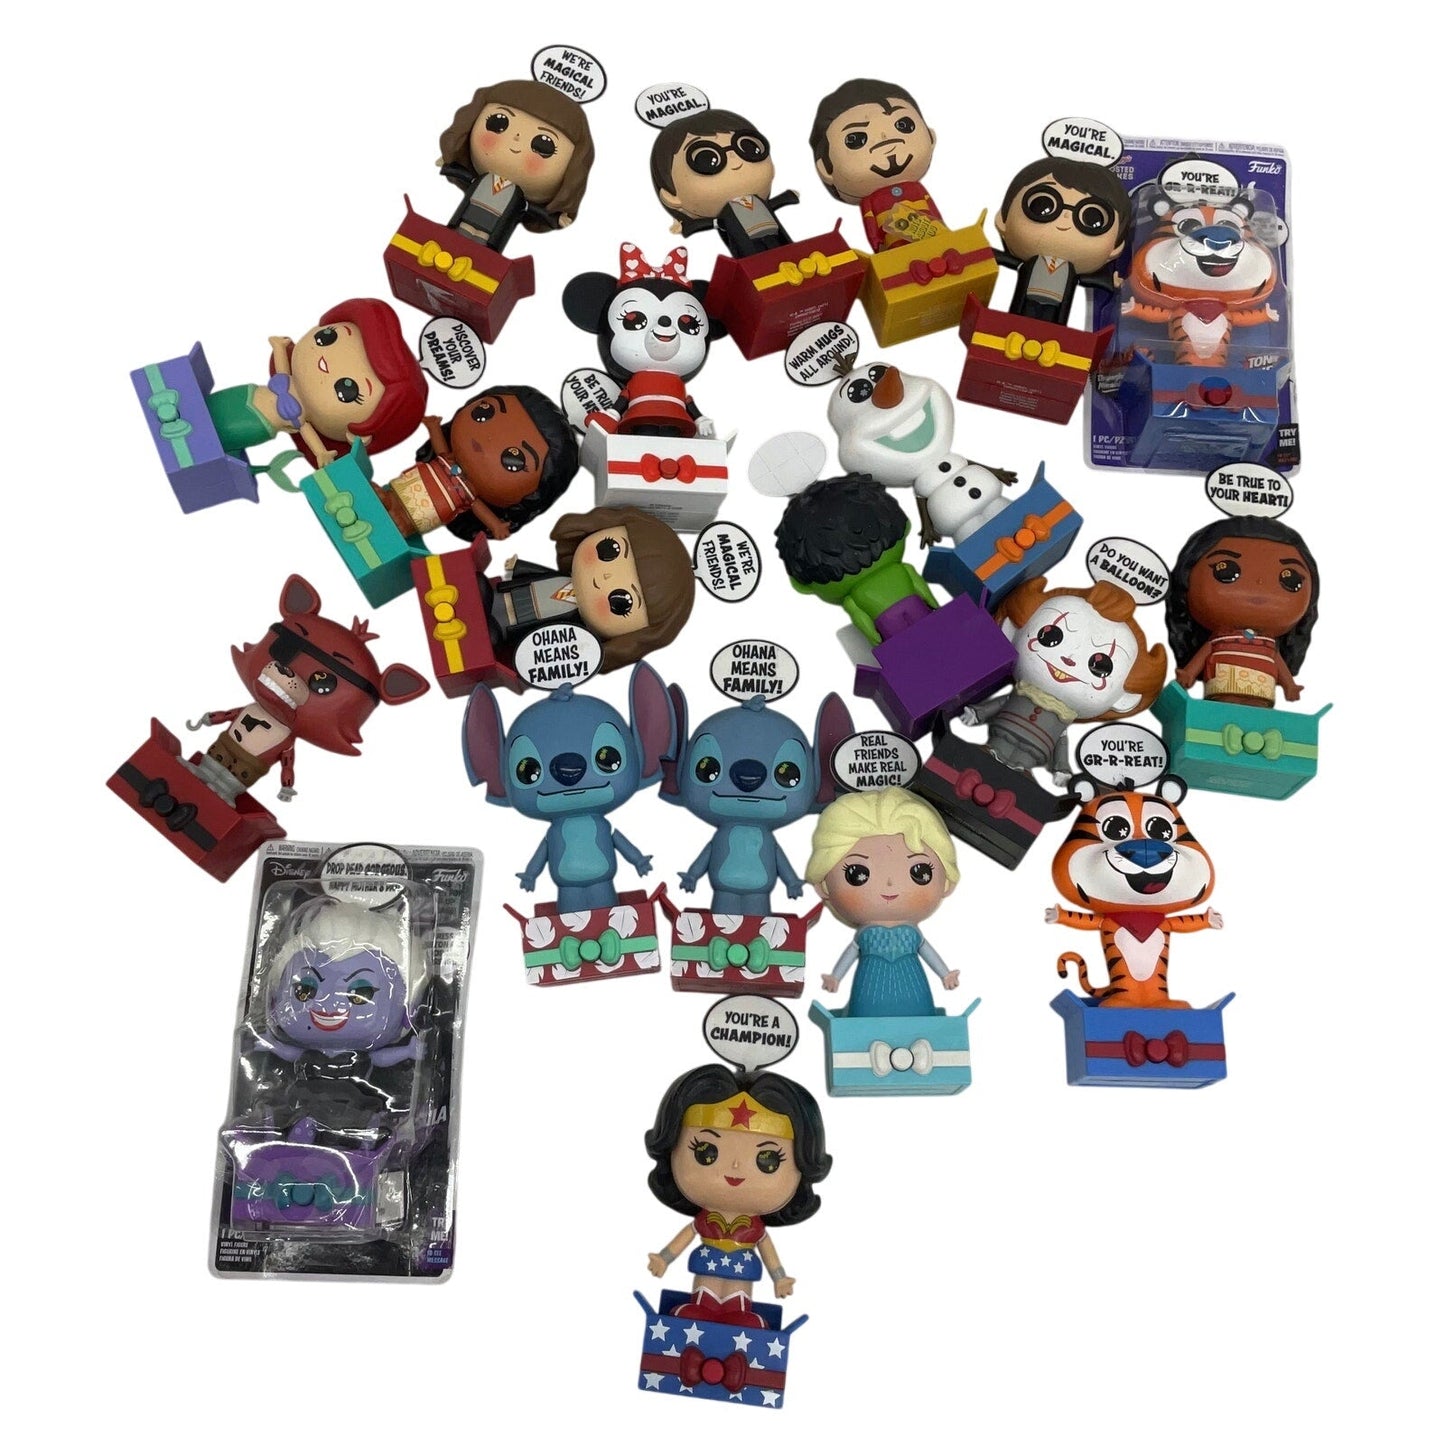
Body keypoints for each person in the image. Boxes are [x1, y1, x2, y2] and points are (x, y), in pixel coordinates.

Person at [645, 1063, 830, 1327]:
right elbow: (685, 1237)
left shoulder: (756, 1229)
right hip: (708, 1264)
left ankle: (738, 1314)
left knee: (739, 1298)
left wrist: (779, 1278)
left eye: (767, 1160)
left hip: (743, 1269)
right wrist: (664, 1258)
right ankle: (700, 1308)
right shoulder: (704, 1220)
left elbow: (768, 1251)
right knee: (704, 1294)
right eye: (706, 1151)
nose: (735, 1167)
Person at [806, 789, 960, 1017]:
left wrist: (945, 974)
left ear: (947, 883)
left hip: (913, 987)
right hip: (870, 988)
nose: (889, 882)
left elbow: (928, 952)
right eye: (857, 874)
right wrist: (835, 977)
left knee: (918, 1012)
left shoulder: (912, 934)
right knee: (866, 1013)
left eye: (920, 872)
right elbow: (850, 953)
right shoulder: (865, 935)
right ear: (824, 887)